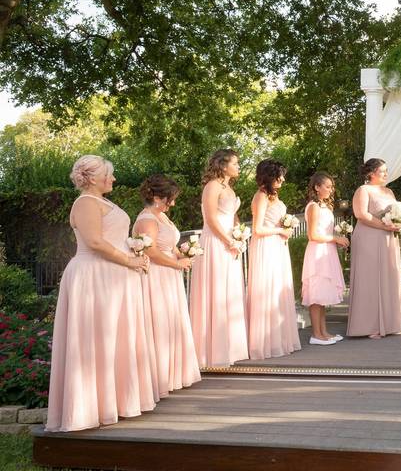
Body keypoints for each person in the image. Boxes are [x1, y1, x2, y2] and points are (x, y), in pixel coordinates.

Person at [46, 155, 155, 432]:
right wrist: (129, 260)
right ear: (93, 178)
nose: (114, 179)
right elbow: (95, 242)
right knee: (94, 338)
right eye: (110, 174)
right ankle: (88, 408)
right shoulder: (85, 203)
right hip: (93, 276)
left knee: (114, 337)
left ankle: (115, 402)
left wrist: (136, 255)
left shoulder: (103, 202)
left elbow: (113, 237)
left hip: (113, 276)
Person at [133, 174, 201, 398]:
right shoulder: (147, 219)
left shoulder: (161, 217)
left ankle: (172, 375)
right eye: (168, 198)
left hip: (168, 274)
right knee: (159, 323)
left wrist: (181, 252)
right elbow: (150, 251)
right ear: (155, 196)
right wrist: (177, 263)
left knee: (171, 322)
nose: (172, 203)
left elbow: (165, 245)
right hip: (157, 277)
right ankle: (158, 378)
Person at [190, 148, 249, 367]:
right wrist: (228, 240)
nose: (238, 167)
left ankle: (229, 347)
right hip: (216, 242)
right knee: (215, 290)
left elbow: (233, 216)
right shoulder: (212, 186)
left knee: (229, 291)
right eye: (235, 163)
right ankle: (210, 351)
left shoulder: (229, 188)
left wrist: (239, 234)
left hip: (229, 241)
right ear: (223, 165)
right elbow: (211, 219)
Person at [246, 159, 302, 360]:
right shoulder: (261, 197)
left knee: (278, 289)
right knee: (267, 290)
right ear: (270, 177)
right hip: (266, 246)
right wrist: (281, 229)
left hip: (277, 246)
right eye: (280, 176)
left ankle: (279, 339)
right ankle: (265, 343)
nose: (283, 179)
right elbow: (257, 229)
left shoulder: (273, 197)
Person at [346, 158, 401, 338]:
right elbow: (361, 215)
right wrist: (384, 225)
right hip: (368, 238)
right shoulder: (363, 190)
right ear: (371, 173)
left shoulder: (389, 191)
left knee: (388, 276)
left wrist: (399, 223)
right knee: (369, 279)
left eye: (386, 171)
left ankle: (389, 323)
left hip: (388, 238)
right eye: (383, 171)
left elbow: (396, 213)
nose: (386, 174)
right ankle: (369, 325)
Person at [302, 172, 348, 345]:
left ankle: (324, 332)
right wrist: (335, 238)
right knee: (316, 294)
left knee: (322, 295)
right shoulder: (313, 207)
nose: (330, 190)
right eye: (327, 186)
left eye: (331, 187)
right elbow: (313, 235)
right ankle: (316, 335)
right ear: (317, 187)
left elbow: (324, 232)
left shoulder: (324, 207)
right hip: (317, 253)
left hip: (327, 252)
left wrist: (338, 237)